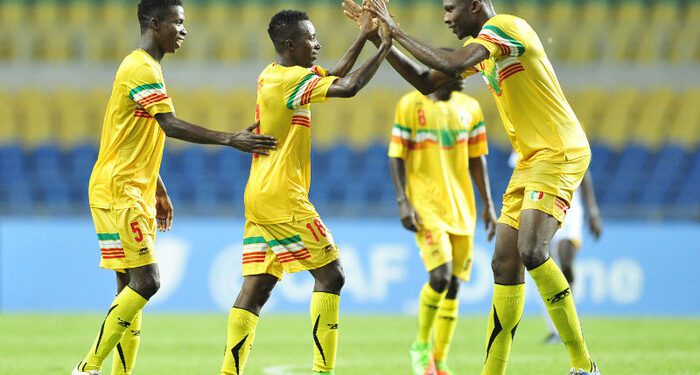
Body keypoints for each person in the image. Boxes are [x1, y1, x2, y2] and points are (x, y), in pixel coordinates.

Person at [345, 0, 600, 373]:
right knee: (504, 263)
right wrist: (379, 39)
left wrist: (396, 30)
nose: (446, 17)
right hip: (531, 159)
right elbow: (424, 80)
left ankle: (583, 365)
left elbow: (452, 63)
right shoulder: (486, 52)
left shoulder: (506, 29)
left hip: (560, 151)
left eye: (451, 8)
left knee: (531, 250)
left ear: (476, 5)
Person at [72, 1, 277, 374]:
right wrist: (229, 138)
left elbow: (136, 135)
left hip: (128, 186)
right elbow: (168, 124)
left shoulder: (146, 68)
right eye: (177, 23)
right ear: (155, 24)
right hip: (120, 190)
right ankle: (88, 367)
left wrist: (158, 187)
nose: (184, 30)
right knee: (147, 281)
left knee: (128, 289)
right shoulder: (141, 68)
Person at [219, 9, 392, 375]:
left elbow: (333, 75)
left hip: (259, 194)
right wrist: (384, 47)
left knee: (258, 286)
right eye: (310, 39)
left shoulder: (272, 75)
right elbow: (348, 87)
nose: (317, 44)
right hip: (283, 196)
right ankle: (323, 371)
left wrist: (362, 36)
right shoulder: (291, 81)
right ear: (290, 45)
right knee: (332, 275)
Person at [389, 74, 497, 375]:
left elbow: (478, 159)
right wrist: (403, 201)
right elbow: (396, 156)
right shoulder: (410, 105)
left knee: (454, 287)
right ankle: (421, 347)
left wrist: (488, 204)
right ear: (438, 77)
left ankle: (440, 359)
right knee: (440, 276)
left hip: (463, 209)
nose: (463, 79)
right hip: (426, 206)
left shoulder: (471, 108)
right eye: (456, 74)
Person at [512, 152, 603, 344]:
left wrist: (593, 211)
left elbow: (583, 172)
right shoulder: (525, 137)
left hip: (568, 206)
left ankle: (571, 316)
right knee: (544, 267)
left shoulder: (567, 127)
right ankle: (556, 328)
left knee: (566, 262)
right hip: (540, 208)